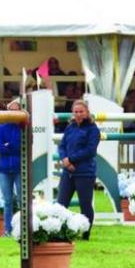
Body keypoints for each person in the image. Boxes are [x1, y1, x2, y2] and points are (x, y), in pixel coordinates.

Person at [56, 99, 100, 240]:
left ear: (87, 112)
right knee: (61, 203)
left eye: (81, 111)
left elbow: (90, 150)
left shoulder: (93, 129)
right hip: (68, 171)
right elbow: (62, 145)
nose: (78, 114)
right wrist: (64, 160)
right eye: (76, 112)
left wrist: (71, 159)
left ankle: (85, 233)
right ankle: (59, 231)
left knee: (85, 204)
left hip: (85, 172)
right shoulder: (70, 127)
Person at [0, 99, 22, 236]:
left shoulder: (24, 127)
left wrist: (8, 145)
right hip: (4, 169)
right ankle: (8, 229)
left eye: (16, 109)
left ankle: (23, 228)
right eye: (11, 109)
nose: (13, 112)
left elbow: (22, 146)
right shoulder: (1, 128)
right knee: (7, 201)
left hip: (19, 169)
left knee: (22, 200)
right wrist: (11, 146)